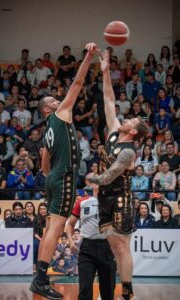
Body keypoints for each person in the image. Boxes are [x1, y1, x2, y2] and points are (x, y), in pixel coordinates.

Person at [30, 42, 99, 300]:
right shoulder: (60, 114)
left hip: (54, 179)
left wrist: (51, 175)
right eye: (54, 100)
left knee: (50, 229)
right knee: (56, 228)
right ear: (48, 108)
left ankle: (39, 278)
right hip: (64, 179)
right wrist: (89, 56)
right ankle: (40, 280)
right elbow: (78, 83)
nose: (59, 100)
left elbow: (44, 163)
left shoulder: (48, 129)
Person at [88, 50, 148, 300]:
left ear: (133, 132)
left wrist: (90, 178)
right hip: (104, 198)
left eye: (132, 120)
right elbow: (108, 99)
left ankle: (128, 292)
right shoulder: (113, 131)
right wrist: (104, 69)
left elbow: (108, 176)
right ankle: (118, 289)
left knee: (122, 246)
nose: (128, 118)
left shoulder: (129, 152)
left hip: (121, 198)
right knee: (112, 245)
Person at [66, 182, 116, 300]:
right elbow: (70, 224)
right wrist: (71, 241)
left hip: (106, 247)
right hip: (87, 247)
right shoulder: (82, 202)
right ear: (93, 185)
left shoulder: (112, 203)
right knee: (85, 288)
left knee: (108, 289)